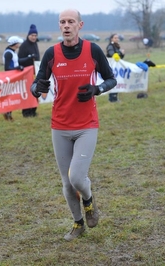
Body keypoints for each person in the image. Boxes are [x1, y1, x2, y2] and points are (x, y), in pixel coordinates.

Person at [30, 8, 117, 241]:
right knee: (67, 184)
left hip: (87, 124)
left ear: (80, 25)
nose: (66, 25)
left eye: (71, 21)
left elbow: (111, 79)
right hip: (60, 125)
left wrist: (97, 89)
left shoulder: (93, 50)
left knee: (77, 177)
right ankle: (78, 224)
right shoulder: (51, 54)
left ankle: (88, 200)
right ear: (59, 26)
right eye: (62, 22)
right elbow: (37, 83)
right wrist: (37, 88)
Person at [2, 36, 27, 121]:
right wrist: (17, 68)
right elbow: (7, 68)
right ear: (15, 44)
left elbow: (17, 61)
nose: (20, 44)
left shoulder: (13, 52)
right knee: (10, 96)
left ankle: (9, 114)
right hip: (10, 78)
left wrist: (29, 58)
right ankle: (7, 113)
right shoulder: (8, 53)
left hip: (14, 77)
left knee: (13, 96)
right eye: (18, 43)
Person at [18, 24, 40, 118]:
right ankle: (26, 112)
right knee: (28, 92)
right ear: (28, 36)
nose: (34, 37)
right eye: (32, 35)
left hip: (35, 72)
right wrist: (29, 58)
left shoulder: (35, 44)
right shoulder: (24, 46)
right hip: (27, 73)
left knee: (36, 91)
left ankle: (33, 110)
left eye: (35, 35)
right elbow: (19, 59)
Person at [106, 33, 124, 102]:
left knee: (117, 82)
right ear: (112, 39)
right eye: (115, 38)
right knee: (113, 81)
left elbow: (119, 58)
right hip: (112, 67)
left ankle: (115, 97)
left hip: (117, 67)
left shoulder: (116, 46)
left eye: (117, 38)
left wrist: (122, 54)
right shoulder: (110, 46)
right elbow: (112, 55)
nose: (117, 39)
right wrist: (120, 53)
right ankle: (112, 98)